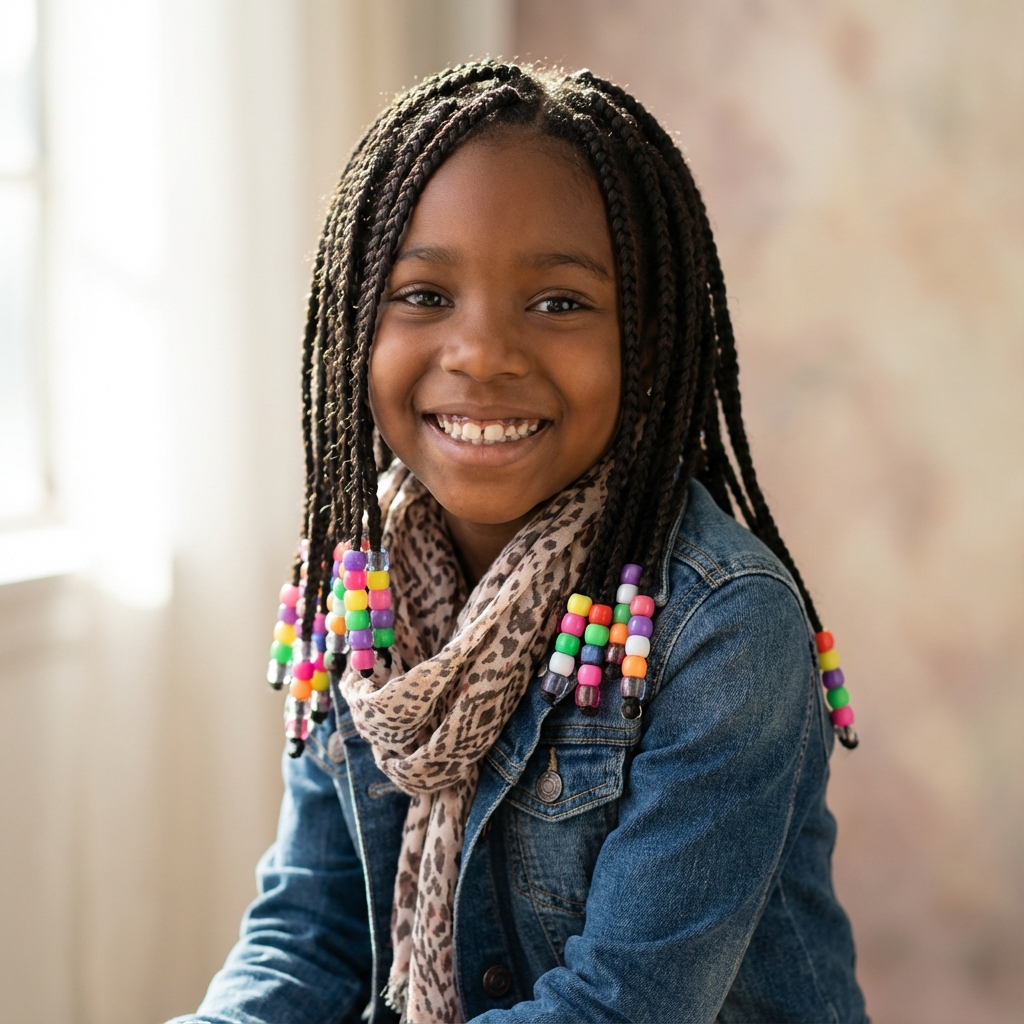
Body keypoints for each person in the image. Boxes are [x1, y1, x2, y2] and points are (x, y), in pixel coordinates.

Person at [170, 62, 867, 1024]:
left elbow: (622, 1007)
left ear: (651, 341)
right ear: (351, 325)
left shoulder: (722, 625)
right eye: (423, 295)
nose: (483, 352)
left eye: (559, 303)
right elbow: (312, 935)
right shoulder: (359, 594)